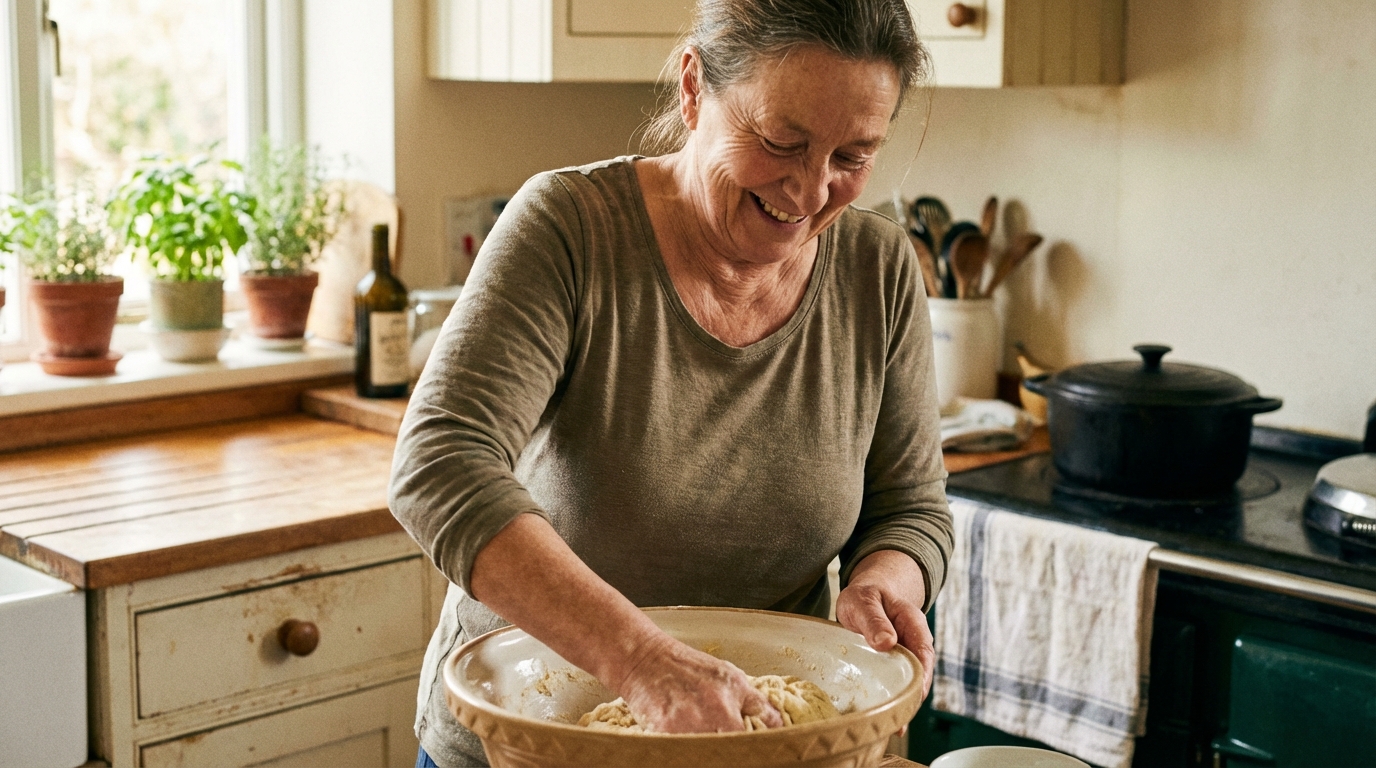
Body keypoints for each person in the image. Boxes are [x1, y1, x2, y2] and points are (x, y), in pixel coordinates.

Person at [390, 1, 953, 765]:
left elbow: (909, 507)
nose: (812, 190)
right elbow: (438, 465)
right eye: (781, 142)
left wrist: (884, 583)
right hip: (533, 734)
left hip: (766, 745)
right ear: (693, 88)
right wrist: (643, 660)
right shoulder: (570, 230)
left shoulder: (878, 269)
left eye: (852, 157)